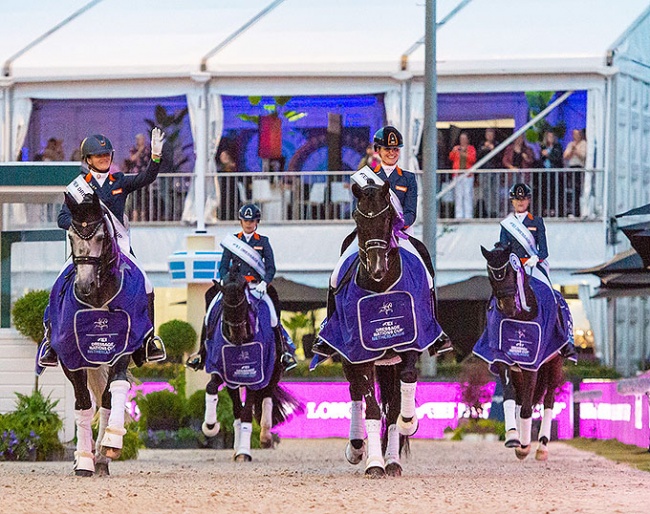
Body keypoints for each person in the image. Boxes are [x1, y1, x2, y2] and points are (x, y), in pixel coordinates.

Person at [38, 129, 167, 367]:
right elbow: (62, 219)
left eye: (107, 155)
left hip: (118, 245)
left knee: (147, 283)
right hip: (87, 248)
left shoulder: (119, 182)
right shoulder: (76, 187)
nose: (104, 159)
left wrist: (156, 156)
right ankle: (51, 341)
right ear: (88, 160)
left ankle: (149, 340)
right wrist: (82, 226)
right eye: (98, 156)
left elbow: (147, 177)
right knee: (58, 283)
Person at [498, 183, 577, 360]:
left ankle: (565, 340)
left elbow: (544, 250)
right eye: (517, 199)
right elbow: (503, 247)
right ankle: (492, 341)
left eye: (523, 199)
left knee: (552, 297)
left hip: (535, 265)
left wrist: (536, 259)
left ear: (528, 201)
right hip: (514, 267)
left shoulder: (536, 221)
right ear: (512, 201)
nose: (520, 202)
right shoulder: (507, 225)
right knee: (498, 297)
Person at [216, 203, 296, 371]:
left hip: (255, 287)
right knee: (212, 311)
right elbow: (223, 266)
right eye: (246, 220)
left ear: (257, 222)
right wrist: (226, 281)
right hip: (234, 288)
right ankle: (203, 351)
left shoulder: (263, 242)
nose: (248, 224)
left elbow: (271, 267)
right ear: (241, 221)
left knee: (273, 316)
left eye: (252, 221)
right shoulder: (233, 242)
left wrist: (264, 282)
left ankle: (283, 352)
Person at [124, 133, 152, 222]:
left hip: (144, 176)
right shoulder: (134, 149)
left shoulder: (147, 149)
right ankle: (135, 217)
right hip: (135, 176)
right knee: (135, 197)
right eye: (140, 139)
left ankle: (143, 217)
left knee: (144, 197)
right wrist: (140, 150)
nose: (142, 141)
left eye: (143, 139)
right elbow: (132, 159)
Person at [448, 132, 477, 219]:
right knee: (458, 195)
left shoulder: (471, 148)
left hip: (467, 174)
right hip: (457, 174)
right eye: (461, 139)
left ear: (468, 140)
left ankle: (468, 215)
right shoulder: (456, 148)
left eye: (464, 139)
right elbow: (450, 157)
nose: (463, 141)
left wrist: (463, 153)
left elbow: (472, 159)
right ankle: (459, 215)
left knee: (467, 195)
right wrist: (454, 151)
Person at [476, 128, 502, 218]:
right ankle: (487, 211)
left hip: (495, 170)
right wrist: (484, 149)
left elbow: (500, 158)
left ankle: (494, 211)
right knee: (486, 192)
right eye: (488, 134)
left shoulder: (497, 144)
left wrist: (493, 149)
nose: (489, 136)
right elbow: (478, 157)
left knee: (495, 191)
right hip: (485, 170)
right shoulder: (481, 144)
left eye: (491, 134)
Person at [538, 131, 564, 217]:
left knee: (555, 191)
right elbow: (540, 159)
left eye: (552, 136)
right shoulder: (543, 147)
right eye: (549, 136)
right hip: (545, 173)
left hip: (555, 173)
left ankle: (555, 209)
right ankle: (545, 209)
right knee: (545, 191)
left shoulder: (558, 147)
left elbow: (557, 158)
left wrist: (548, 154)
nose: (551, 138)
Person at [563, 128, 587, 218]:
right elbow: (565, 156)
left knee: (578, 190)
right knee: (572, 190)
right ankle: (571, 210)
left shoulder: (584, 144)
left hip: (579, 168)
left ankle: (578, 211)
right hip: (571, 168)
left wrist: (575, 150)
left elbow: (583, 156)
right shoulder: (570, 144)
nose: (576, 136)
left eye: (578, 134)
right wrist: (572, 150)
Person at [217, 149, 238, 220]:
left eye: (226, 155)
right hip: (223, 191)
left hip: (231, 192)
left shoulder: (233, 170)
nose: (224, 157)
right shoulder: (219, 170)